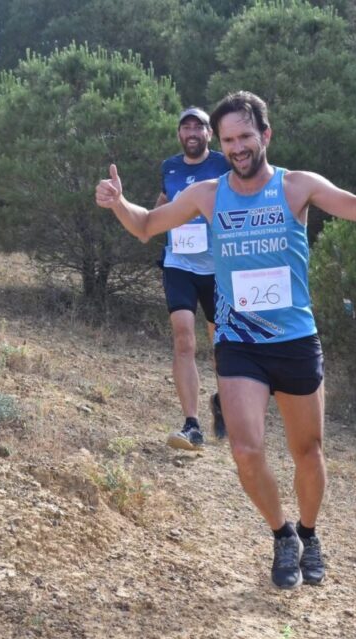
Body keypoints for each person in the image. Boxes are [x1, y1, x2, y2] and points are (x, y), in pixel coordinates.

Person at [96, 91, 356, 589]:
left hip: (295, 340)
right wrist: (118, 203)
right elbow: (146, 226)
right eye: (227, 139)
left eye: (245, 137)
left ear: (265, 135)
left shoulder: (298, 187)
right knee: (246, 451)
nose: (236, 147)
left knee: (308, 451)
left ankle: (311, 534)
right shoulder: (209, 194)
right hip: (238, 342)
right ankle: (282, 536)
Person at [153, 107, 231, 451]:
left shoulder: (223, 163)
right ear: (179, 135)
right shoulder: (169, 167)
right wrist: (150, 220)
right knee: (183, 339)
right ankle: (191, 425)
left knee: (223, 346)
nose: (191, 132)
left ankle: (224, 402)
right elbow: (163, 202)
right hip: (179, 263)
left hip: (218, 268)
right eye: (185, 127)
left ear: (208, 134)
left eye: (198, 126)